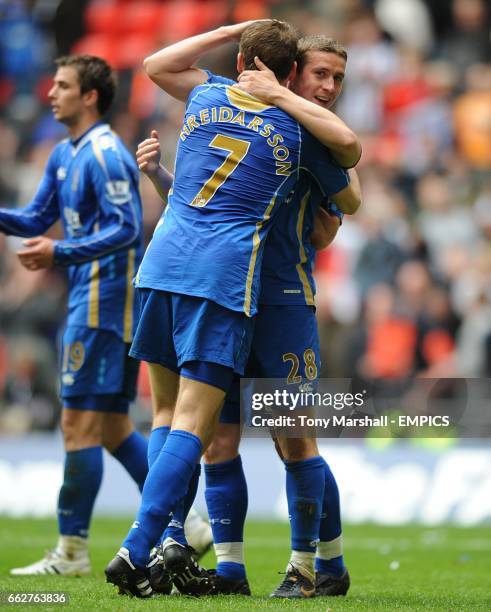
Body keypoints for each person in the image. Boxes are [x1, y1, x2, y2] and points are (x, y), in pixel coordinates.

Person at [105, 20, 358, 598]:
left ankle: (319, 565)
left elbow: (346, 204)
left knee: (294, 437)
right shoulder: (278, 123)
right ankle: (229, 569)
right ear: (294, 70)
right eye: (319, 74)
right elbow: (202, 194)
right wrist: (160, 175)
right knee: (217, 438)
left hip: (282, 297)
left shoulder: (309, 129)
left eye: (338, 78)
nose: (328, 86)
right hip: (230, 289)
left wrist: (285, 100)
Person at [3, 54, 149, 577]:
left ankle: (72, 551)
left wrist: (60, 253)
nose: (50, 93)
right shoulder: (66, 154)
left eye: (62, 85)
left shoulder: (106, 154)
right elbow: (37, 217)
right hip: (87, 297)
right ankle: (189, 521)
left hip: (107, 301)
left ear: (90, 96)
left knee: (75, 424)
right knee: (110, 427)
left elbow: (127, 227)